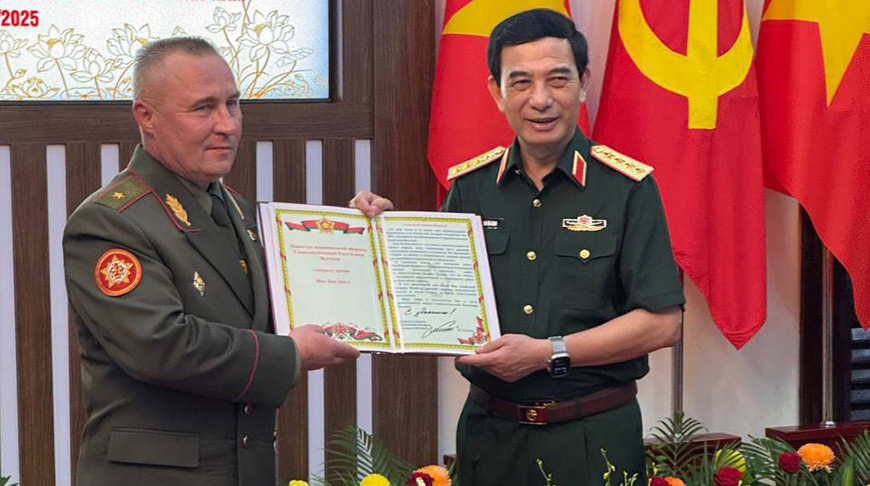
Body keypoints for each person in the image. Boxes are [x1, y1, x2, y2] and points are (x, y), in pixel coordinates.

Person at [352, 8, 685, 486]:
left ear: (584, 83)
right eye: (521, 82)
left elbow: (662, 323)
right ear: (497, 91)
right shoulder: (471, 187)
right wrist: (383, 235)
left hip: (593, 434)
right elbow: (431, 302)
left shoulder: (626, 188)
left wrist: (549, 352)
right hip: (490, 434)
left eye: (558, 79)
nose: (541, 99)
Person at [62, 37, 359, 486]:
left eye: (232, 104)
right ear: (146, 116)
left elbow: (284, 308)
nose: (227, 125)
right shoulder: (110, 221)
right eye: (203, 108)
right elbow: (161, 346)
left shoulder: (236, 208)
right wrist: (291, 354)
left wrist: (366, 240)